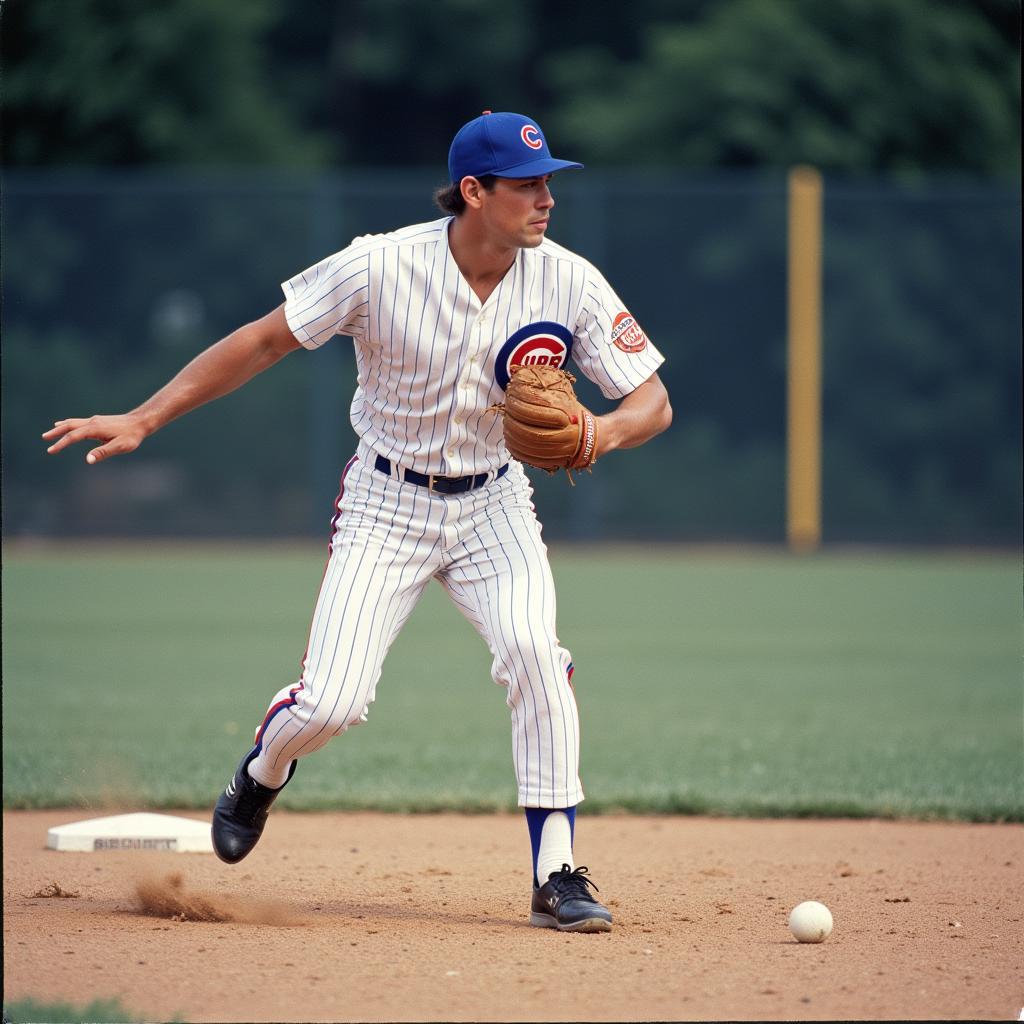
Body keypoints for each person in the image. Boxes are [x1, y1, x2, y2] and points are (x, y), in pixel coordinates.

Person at [43, 111, 672, 933]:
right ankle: (263, 771)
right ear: (474, 193)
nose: (546, 197)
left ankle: (556, 873)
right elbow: (263, 341)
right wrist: (146, 418)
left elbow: (651, 399)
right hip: (387, 499)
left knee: (537, 658)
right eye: (527, 184)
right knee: (332, 703)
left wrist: (604, 431)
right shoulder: (379, 265)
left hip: (495, 504)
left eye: (550, 180)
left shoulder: (571, 281)